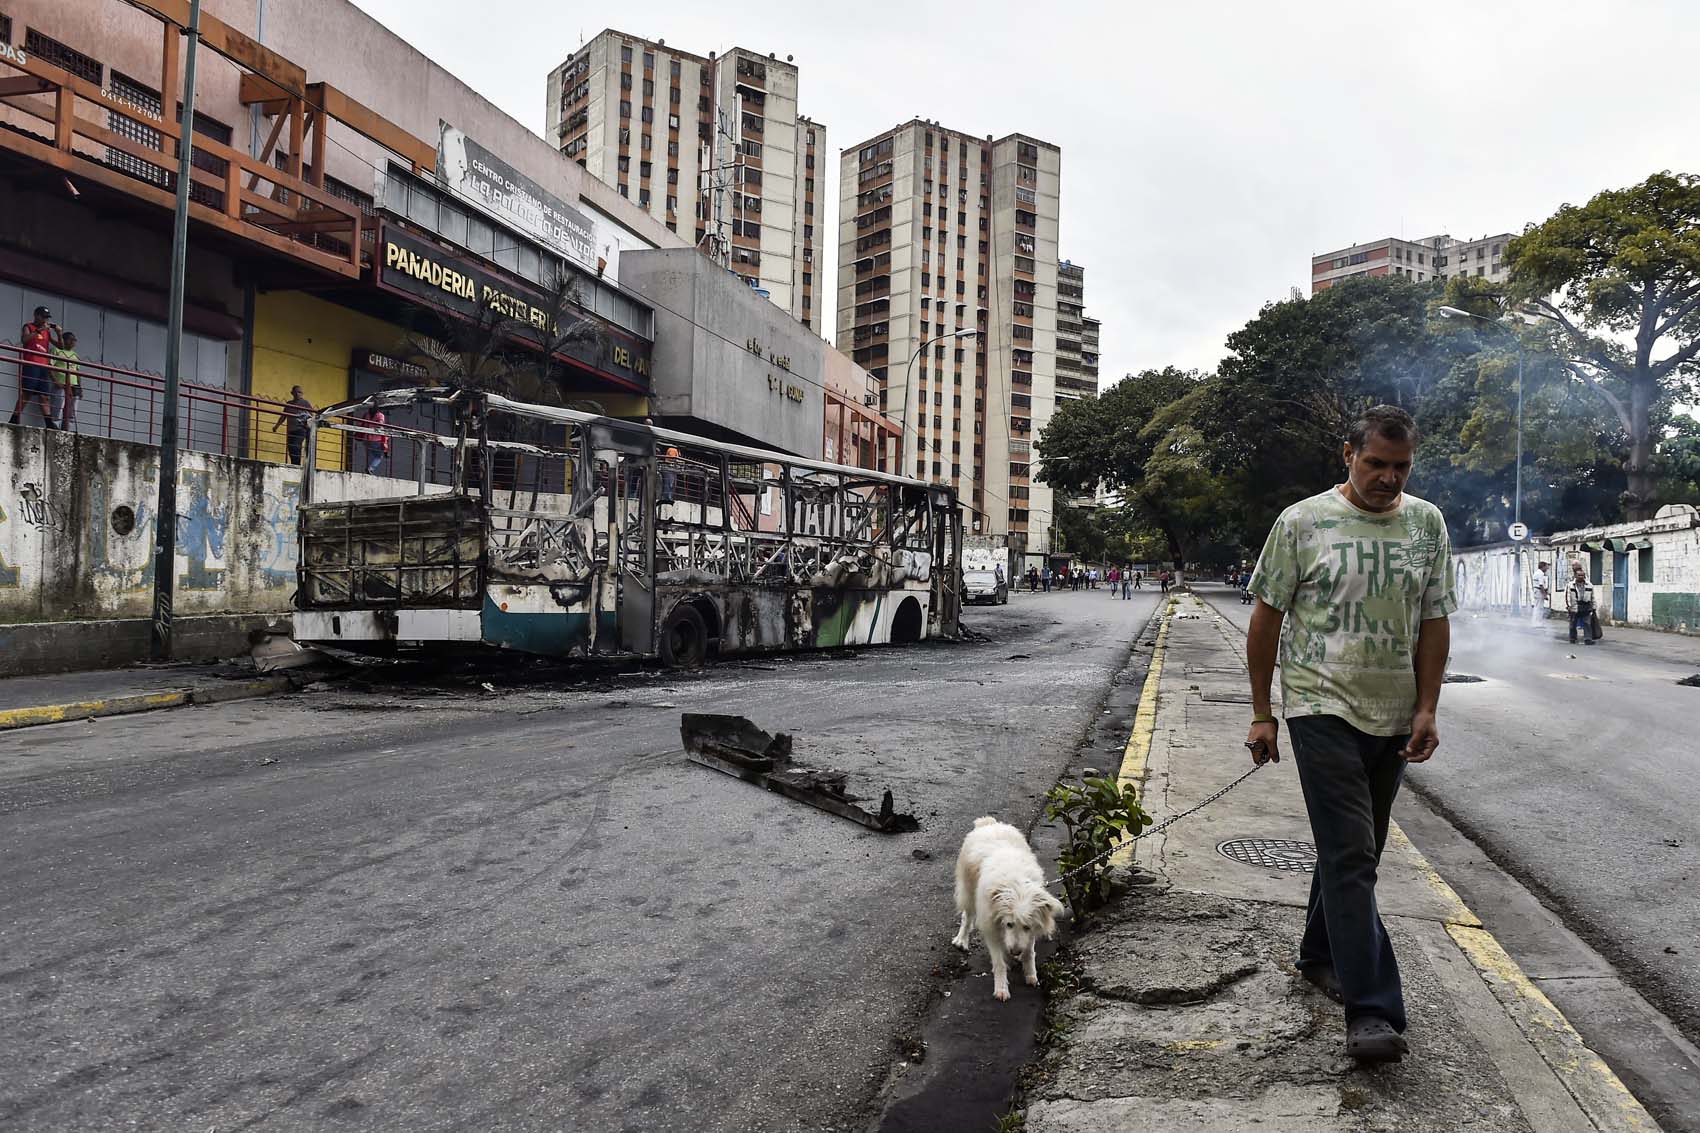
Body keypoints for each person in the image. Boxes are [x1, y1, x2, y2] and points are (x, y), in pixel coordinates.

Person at [1245, 404, 1455, 1064]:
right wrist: (1262, 711)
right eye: (1376, 464)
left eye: (1400, 467)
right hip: (1319, 705)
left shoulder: (1427, 524)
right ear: (1347, 454)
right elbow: (1266, 618)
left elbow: (1434, 620)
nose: (1388, 478)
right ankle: (1371, 1009)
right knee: (1353, 856)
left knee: (1352, 853)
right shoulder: (1302, 521)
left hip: (1392, 716)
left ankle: (1318, 951)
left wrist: (1427, 707)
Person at [9, 306, 61, 428]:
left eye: (46, 318)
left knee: (44, 396)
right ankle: (14, 418)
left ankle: (49, 423)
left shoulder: (47, 331)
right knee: (27, 393)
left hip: (43, 366)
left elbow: (60, 346)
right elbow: (25, 340)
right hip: (31, 364)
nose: (45, 320)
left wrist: (59, 333)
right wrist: (39, 330)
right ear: (36, 315)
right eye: (43, 317)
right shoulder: (28, 327)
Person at [272, 385, 313, 465]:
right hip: (291, 430)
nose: (298, 394)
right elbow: (283, 416)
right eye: (296, 392)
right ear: (292, 393)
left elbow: (311, 415)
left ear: (302, 394)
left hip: (301, 429)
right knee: (291, 448)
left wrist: (309, 426)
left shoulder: (305, 403)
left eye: (300, 392)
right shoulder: (289, 404)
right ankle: (294, 465)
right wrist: (276, 426)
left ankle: (297, 465)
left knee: (296, 446)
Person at [50, 330, 81, 430]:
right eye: (71, 339)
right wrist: (55, 381)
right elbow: (50, 367)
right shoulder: (56, 351)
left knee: (72, 411)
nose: (73, 342)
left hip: (74, 385)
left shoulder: (75, 355)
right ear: (64, 340)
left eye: (74, 340)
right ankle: (55, 429)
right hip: (61, 384)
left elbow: (77, 372)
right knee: (58, 408)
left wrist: (80, 387)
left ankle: (68, 430)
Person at [1564, 561, 1596, 646]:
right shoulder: (1571, 585)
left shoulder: (1589, 585)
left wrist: (1594, 607)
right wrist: (1568, 606)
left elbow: (1592, 597)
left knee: (1587, 623)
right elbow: (1567, 596)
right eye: (1579, 575)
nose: (1581, 577)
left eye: (1582, 575)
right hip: (1575, 606)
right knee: (1572, 624)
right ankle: (1573, 638)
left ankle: (1588, 639)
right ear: (1575, 576)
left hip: (1586, 606)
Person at [357, 408, 389, 474]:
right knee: (378, 456)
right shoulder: (380, 415)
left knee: (370, 455)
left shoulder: (366, 415)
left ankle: (368, 469)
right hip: (376, 439)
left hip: (366, 438)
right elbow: (380, 426)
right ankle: (370, 468)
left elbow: (361, 424)